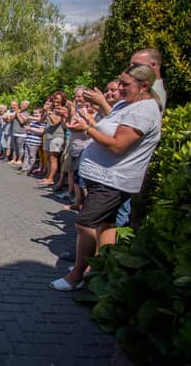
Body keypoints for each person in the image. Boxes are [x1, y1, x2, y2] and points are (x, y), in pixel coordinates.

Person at [50, 64, 163, 291]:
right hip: (102, 177)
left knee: (84, 222)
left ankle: (77, 274)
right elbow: (110, 126)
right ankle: (101, 271)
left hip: (113, 180)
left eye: (125, 85)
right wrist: (86, 124)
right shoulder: (128, 103)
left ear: (144, 85)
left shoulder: (144, 110)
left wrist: (87, 129)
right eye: (119, 83)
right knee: (107, 224)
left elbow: (118, 145)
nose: (119, 89)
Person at [39, 92, 67, 185]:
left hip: (57, 135)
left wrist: (49, 113)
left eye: (58, 99)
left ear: (62, 100)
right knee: (47, 158)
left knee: (53, 158)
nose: (56, 100)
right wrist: (45, 112)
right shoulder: (51, 109)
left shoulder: (63, 109)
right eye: (54, 99)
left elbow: (55, 122)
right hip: (47, 135)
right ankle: (47, 176)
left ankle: (51, 178)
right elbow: (41, 121)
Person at [22, 108, 45, 174]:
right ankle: (24, 168)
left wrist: (30, 128)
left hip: (35, 141)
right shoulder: (32, 121)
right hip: (28, 139)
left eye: (36, 113)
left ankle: (29, 169)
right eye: (34, 113)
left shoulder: (42, 121)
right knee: (26, 155)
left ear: (41, 113)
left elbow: (41, 131)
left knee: (32, 156)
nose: (34, 114)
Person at [9, 100, 30, 165]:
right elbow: (10, 120)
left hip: (21, 133)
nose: (22, 106)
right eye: (21, 104)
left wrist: (17, 114)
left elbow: (22, 122)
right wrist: (16, 114)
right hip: (14, 131)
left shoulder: (27, 113)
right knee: (14, 147)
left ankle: (20, 160)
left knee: (20, 147)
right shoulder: (18, 111)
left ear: (27, 106)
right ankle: (14, 159)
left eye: (24, 105)